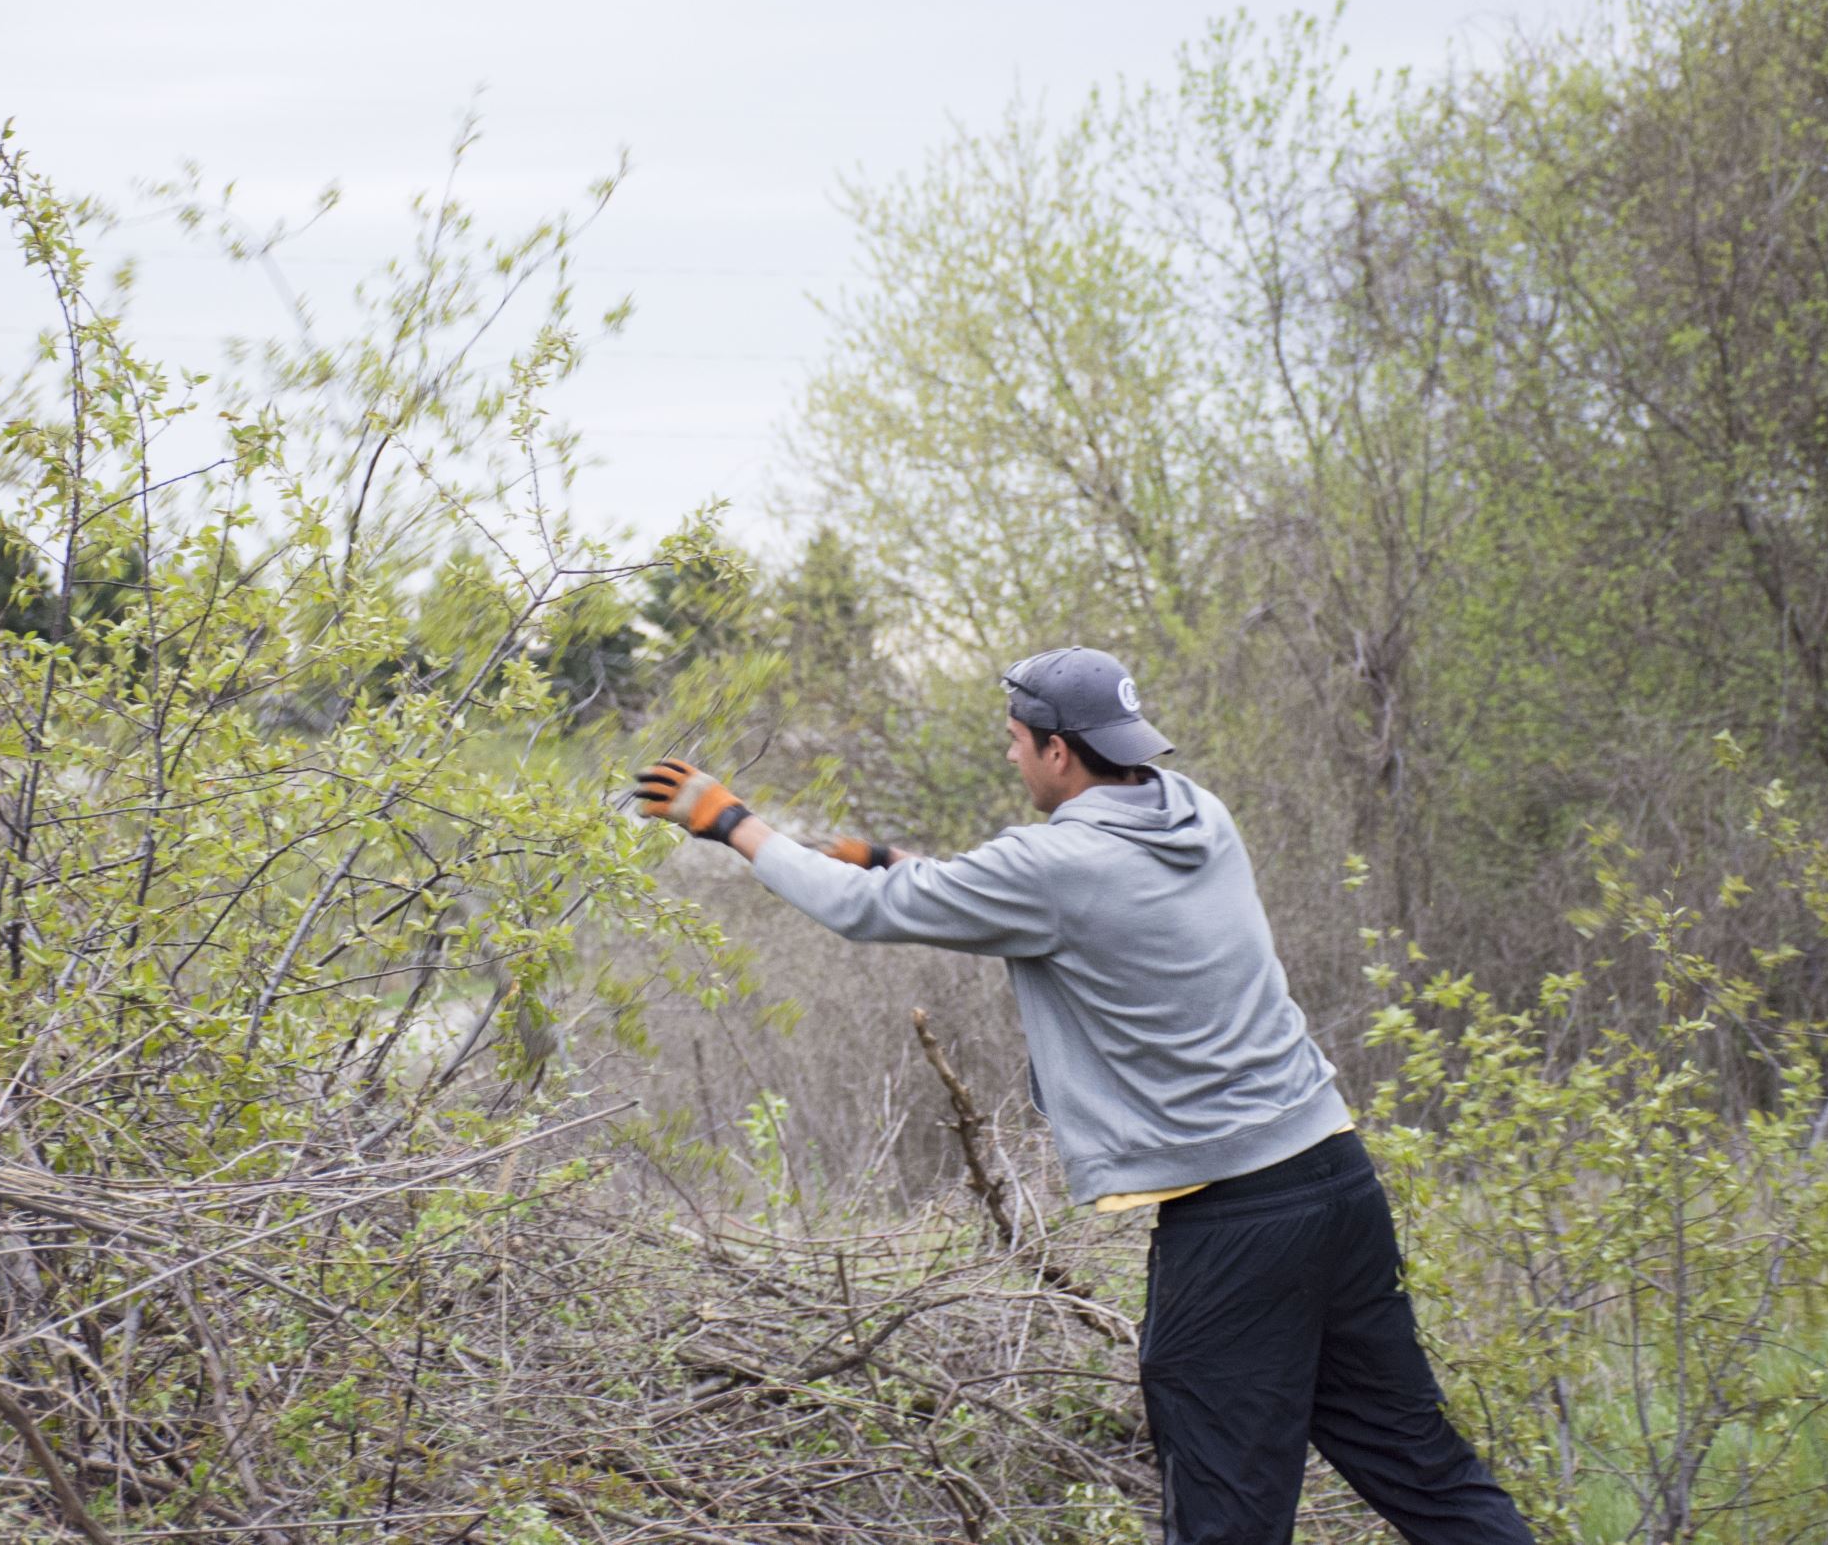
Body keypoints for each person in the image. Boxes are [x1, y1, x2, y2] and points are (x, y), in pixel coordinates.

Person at [632, 645, 1535, 1545]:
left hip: (1237, 1224)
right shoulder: (1198, 813)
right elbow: (1055, 899)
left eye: (1017, 741)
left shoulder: (1052, 865)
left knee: (1224, 1520)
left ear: (1059, 751)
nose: (1012, 755)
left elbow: (874, 911)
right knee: (1424, 1468)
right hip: (1336, 1178)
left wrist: (733, 823)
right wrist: (894, 859)